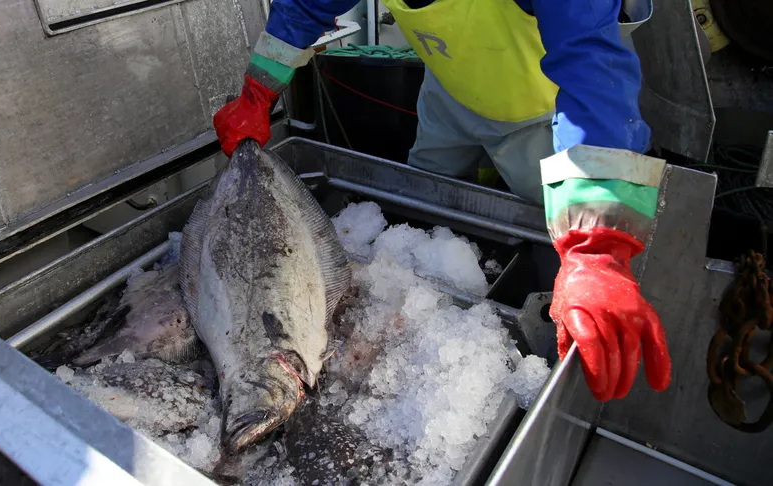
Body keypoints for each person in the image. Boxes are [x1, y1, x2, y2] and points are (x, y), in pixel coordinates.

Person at [212, 0, 673, 401]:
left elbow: (592, 68)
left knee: (551, 236)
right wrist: (257, 93)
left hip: (543, 112)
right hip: (449, 92)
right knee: (423, 197)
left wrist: (595, 251)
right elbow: (305, 6)